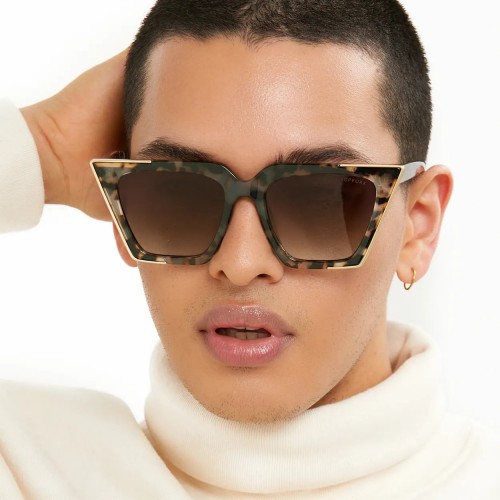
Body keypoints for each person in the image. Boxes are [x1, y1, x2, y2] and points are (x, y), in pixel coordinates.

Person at [0, 0, 499, 498]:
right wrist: (45, 150)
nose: (240, 264)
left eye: (317, 199)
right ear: (122, 213)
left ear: (416, 228)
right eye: (179, 193)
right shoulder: (28, 468)